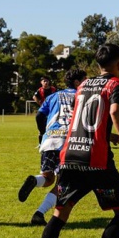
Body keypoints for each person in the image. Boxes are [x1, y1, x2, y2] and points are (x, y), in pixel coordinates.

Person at [30, 44, 119, 238]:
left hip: (70, 156)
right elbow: (115, 111)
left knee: (60, 213)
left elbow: (82, 119)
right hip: (97, 160)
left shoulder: (83, 86)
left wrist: (107, 135)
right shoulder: (117, 85)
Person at [18, 68, 87, 226]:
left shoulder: (53, 96)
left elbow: (39, 115)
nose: (87, 83)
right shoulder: (82, 96)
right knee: (63, 184)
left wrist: (43, 133)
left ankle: (35, 181)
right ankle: (39, 213)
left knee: (48, 178)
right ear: (77, 82)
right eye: (85, 80)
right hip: (69, 142)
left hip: (50, 139)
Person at [33, 77, 57, 144]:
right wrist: (40, 104)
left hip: (52, 110)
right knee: (42, 128)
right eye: (44, 81)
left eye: (47, 81)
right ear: (41, 82)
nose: (46, 82)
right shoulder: (40, 90)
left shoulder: (53, 89)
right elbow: (34, 97)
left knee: (52, 126)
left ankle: (53, 142)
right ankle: (41, 143)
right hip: (44, 110)